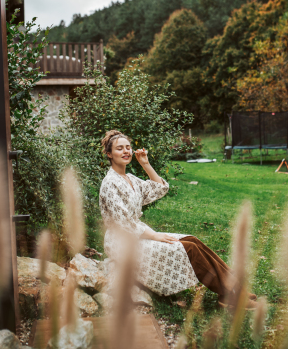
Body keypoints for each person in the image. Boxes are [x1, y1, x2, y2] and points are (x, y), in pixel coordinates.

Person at [99, 129, 257, 309]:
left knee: (191, 239)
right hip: (122, 242)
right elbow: (123, 223)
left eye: (128, 147)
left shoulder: (130, 179)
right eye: (120, 149)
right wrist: (155, 236)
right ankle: (228, 295)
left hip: (138, 233)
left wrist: (146, 164)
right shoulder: (110, 183)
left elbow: (159, 188)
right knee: (188, 248)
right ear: (109, 154)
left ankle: (236, 287)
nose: (126, 151)